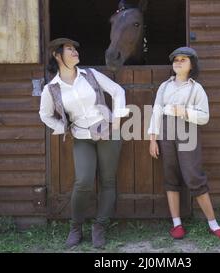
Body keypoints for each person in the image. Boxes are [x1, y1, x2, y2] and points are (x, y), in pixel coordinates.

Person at [39, 38, 129, 248]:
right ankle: (75, 228)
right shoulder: (51, 89)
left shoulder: (90, 75)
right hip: (81, 138)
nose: (75, 52)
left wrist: (116, 121)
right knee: (83, 182)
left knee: (108, 181)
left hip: (108, 133)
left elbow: (118, 91)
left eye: (75, 48)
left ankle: (99, 227)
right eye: (69, 49)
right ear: (57, 55)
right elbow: (44, 115)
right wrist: (64, 127)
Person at [148, 47, 220, 240]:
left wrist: (184, 112)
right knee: (170, 175)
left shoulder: (196, 89)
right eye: (176, 59)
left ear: (191, 64)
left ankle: (213, 224)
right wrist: (153, 139)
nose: (178, 62)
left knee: (193, 176)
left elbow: (204, 117)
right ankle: (177, 224)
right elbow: (156, 112)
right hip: (166, 132)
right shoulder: (164, 86)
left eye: (183, 59)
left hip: (187, 131)